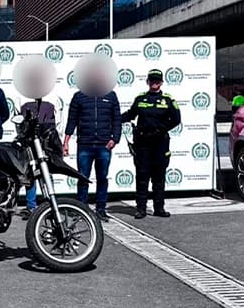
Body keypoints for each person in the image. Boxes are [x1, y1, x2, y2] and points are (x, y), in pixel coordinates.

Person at [123, 69, 182, 219]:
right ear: (147, 82)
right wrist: (114, 118)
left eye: (157, 80)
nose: (154, 83)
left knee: (159, 177)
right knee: (142, 176)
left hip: (160, 143)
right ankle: (141, 209)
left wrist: (162, 129)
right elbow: (131, 114)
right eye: (152, 80)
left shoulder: (168, 100)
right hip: (143, 143)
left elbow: (176, 120)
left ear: (161, 82)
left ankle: (159, 208)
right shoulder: (140, 98)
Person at [64, 86, 122, 222]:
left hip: (104, 145)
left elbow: (117, 120)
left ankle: (100, 210)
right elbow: (72, 120)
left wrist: (115, 139)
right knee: (83, 178)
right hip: (85, 144)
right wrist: (66, 142)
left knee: (102, 178)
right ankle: (81, 210)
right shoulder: (79, 96)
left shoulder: (111, 96)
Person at [19, 98, 58, 218]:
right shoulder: (25, 105)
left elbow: (53, 127)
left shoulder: (49, 105)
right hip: (29, 145)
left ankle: (51, 204)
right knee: (30, 174)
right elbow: (21, 127)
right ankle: (31, 206)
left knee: (47, 174)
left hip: (45, 146)